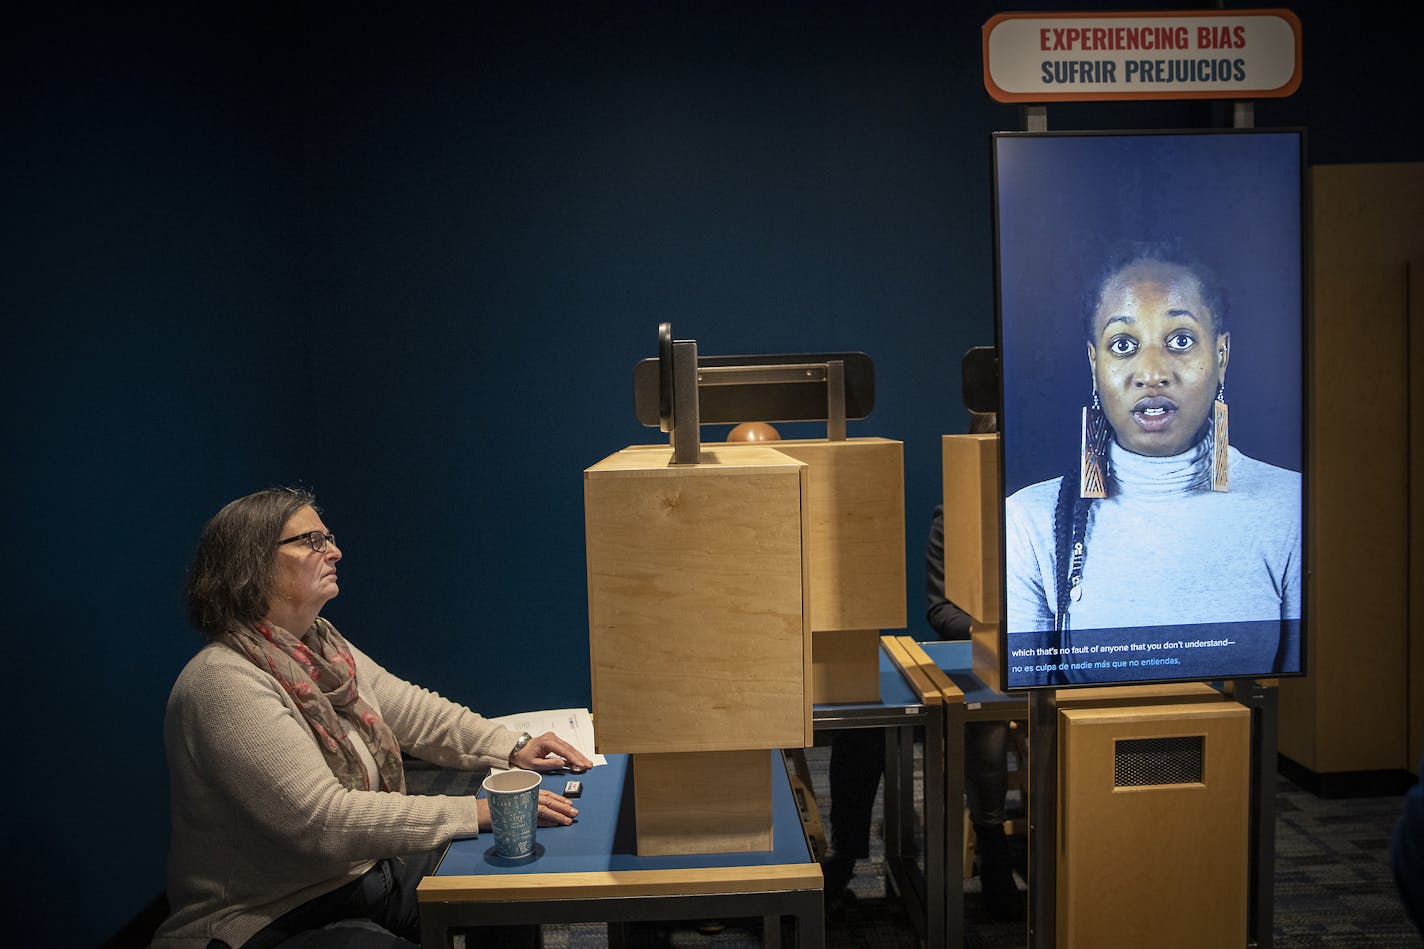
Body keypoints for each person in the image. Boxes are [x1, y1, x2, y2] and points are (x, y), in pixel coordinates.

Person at [152, 487, 594, 949]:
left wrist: (511, 745)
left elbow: (415, 712)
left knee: (504, 893)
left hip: (359, 876)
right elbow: (323, 821)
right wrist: (477, 812)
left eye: (329, 538)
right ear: (252, 563)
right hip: (269, 915)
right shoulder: (223, 682)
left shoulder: (319, 644)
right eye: (313, 541)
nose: (335, 551)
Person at [1004, 251, 1302, 684]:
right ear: (1094, 364)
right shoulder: (1030, 519)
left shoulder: (1290, 506)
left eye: (1180, 340)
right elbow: (1030, 710)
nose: (1151, 374)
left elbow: (1297, 711)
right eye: (1123, 345)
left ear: (1221, 355)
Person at [927, 412, 1024, 920]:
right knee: (986, 722)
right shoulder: (954, 516)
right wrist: (986, 632)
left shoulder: (1064, 502)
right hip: (989, 656)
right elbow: (940, 609)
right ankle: (993, 847)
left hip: (1056, 653)